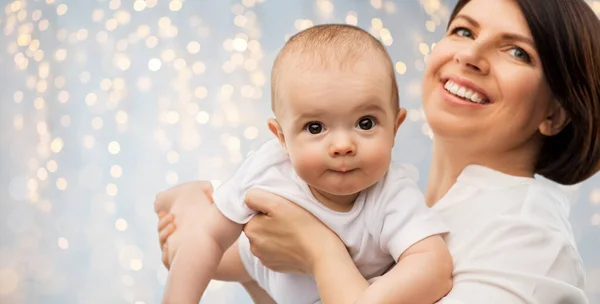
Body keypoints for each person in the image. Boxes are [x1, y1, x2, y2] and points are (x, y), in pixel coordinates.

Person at [156, 0, 600, 303]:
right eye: (463, 30)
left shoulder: (526, 233)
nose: (471, 55)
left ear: (555, 114)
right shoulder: (404, 202)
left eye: (517, 52)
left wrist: (316, 248)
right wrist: (230, 250)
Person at [158, 24, 453, 304]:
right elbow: (208, 237)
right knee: (184, 248)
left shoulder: (392, 195)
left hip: (310, 291)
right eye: (315, 127)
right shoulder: (269, 170)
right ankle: (187, 199)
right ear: (282, 139)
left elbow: (433, 265)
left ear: (395, 129)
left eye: (365, 123)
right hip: (257, 257)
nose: (342, 146)